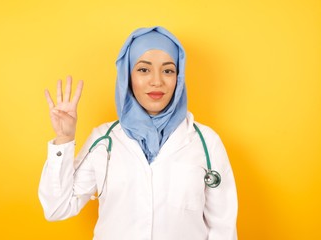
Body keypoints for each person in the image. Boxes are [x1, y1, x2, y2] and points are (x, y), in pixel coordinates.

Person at [38, 26, 238, 240]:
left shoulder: (206, 143)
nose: (157, 81)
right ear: (127, 75)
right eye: (143, 69)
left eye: (168, 70)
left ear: (178, 78)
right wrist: (64, 138)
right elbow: (57, 208)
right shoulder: (104, 140)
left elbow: (223, 230)